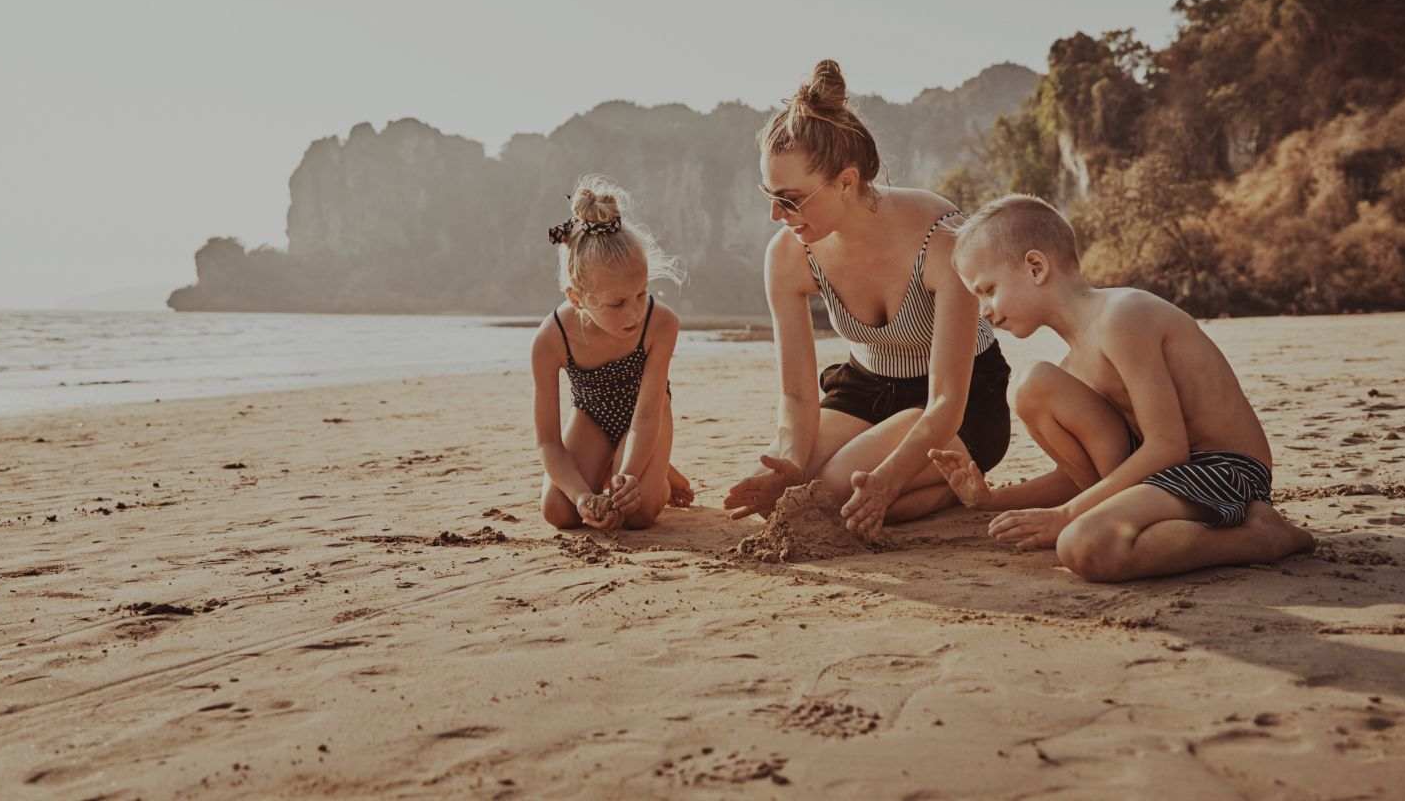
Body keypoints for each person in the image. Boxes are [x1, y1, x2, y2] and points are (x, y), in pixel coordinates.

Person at [929, 193, 1315, 581]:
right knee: (1033, 387)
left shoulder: (1121, 317)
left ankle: (1260, 537)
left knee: (1083, 546)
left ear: (1035, 267)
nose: (984, 310)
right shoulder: (1074, 365)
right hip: (1162, 473)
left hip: (1224, 470)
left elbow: (1168, 447)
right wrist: (991, 499)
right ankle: (1124, 518)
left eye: (987, 290)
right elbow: (1080, 478)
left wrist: (1068, 516)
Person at [722, 60, 1012, 537]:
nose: (776, 214)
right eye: (768, 195)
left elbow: (945, 402)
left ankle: (945, 484)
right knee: (788, 493)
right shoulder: (790, 255)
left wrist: (885, 482)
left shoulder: (941, 241)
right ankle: (925, 490)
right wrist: (791, 462)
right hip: (866, 389)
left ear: (846, 181)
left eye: (790, 199)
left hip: (956, 405)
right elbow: (796, 395)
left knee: (832, 496)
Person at [533, 175, 694, 530]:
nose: (635, 313)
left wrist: (630, 476)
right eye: (617, 303)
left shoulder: (660, 324)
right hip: (592, 418)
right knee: (559, 513)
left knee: (636, 513)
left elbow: (647, 416)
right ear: (577, 298)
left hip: (647, 420)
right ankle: (626, 461)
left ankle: (656, 475)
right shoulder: (551, 339)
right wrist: (581, 496)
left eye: (641, 294)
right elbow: (547, 441)